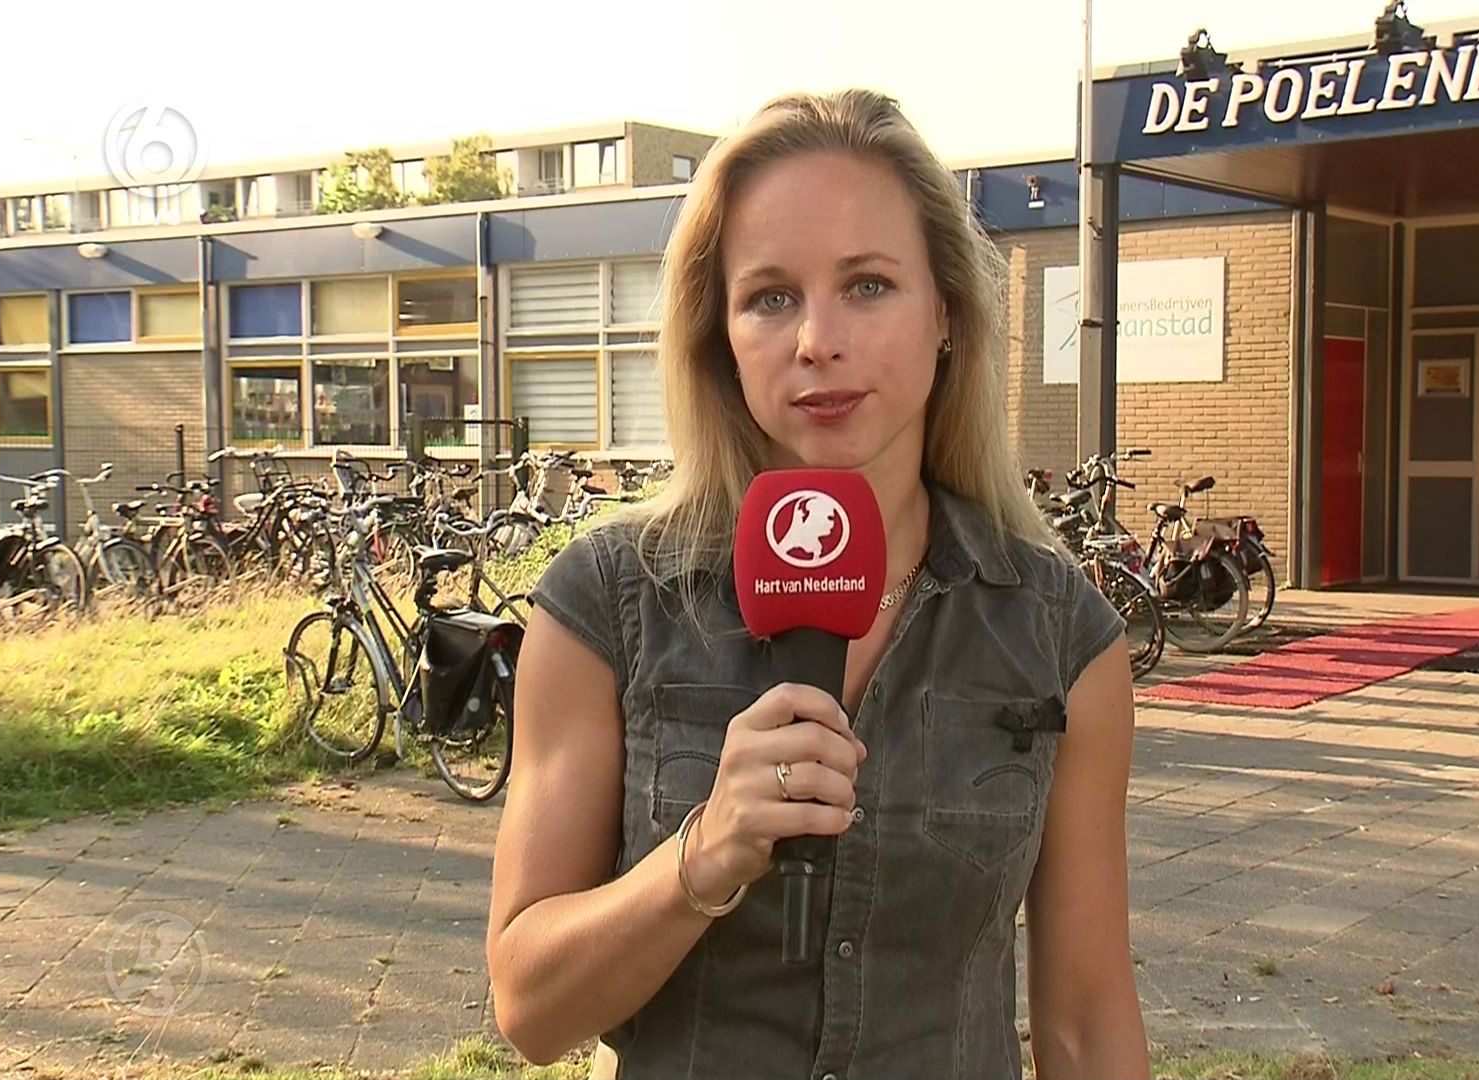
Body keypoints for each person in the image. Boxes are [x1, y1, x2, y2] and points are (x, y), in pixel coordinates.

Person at [485, 89, 1149, 1080]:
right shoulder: (606, 605)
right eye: (770, 298)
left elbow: (1088, 1026)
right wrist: (703, 856)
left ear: (947, 314)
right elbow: (531, 1011)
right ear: (720, 336)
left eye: (868, 285)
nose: (816, 341)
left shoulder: (1062, 639)